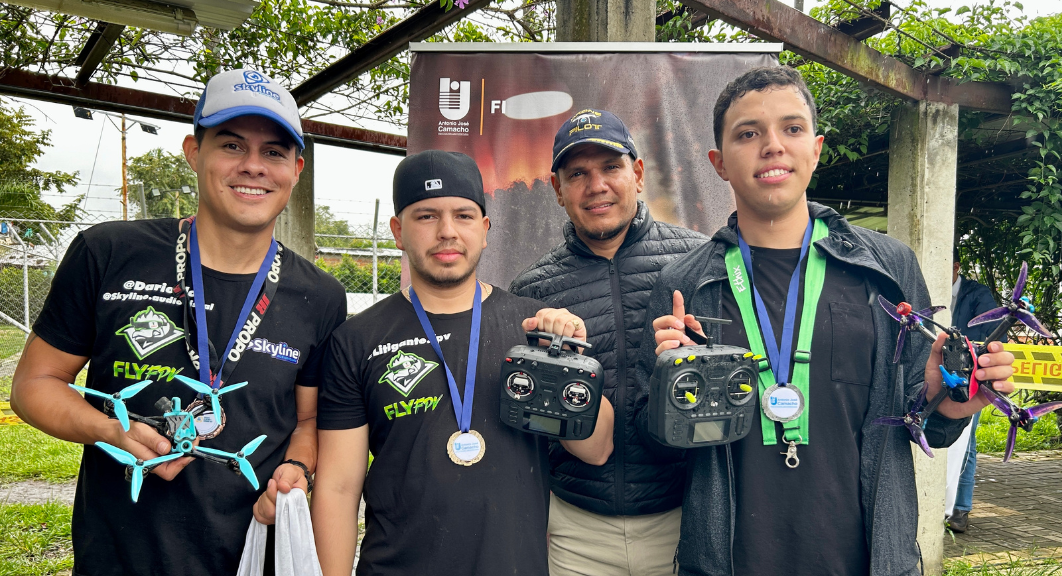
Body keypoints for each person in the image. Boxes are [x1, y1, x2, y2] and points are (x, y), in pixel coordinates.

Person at [638, 66, 1016, 576]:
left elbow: (923, 420)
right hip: (729, 560)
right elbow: (654, 440)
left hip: (866, 559)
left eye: (791, 129)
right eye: (748, 134)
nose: (772, 146)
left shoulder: (887, 268)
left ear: (815, 148)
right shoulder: (684, 283)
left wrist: (951, 401)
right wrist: (671, 392)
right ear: (719, 162)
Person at [10, 69, 347, 575]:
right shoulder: (108, 253)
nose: (254, 166)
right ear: (194, 152)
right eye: (232, 145)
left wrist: (296, 470)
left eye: (274, 152)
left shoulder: (320, 296)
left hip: (251, 558)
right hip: (118, 558)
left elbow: (306, 422)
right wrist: (108, 431)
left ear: (296, 169)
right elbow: (34, 384)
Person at [311, 150, 616, 576]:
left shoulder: (532, 326)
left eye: (464, 215)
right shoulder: (356, 340)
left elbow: (596, 449)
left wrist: (568, 362)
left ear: (485, 229)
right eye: (426, 216)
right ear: (398, 231)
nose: (447, 232)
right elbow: (339, 488)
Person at [509, 109, 707, 575]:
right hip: (575, 529)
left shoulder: (699, 261)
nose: (595, 185)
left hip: (684, 517)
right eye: (577, 173)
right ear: (558, 191)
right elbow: (527, 422)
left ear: (637, 175)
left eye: (610, 167)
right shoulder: (532, 290)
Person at [946, 247, 1007, 533]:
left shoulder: (978, 294)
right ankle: (942, 502)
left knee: (965, 441)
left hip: (971, 379)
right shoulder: (924, 287)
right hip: (934, 376)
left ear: (956, 266)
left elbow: (996, 335)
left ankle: (960, 509)